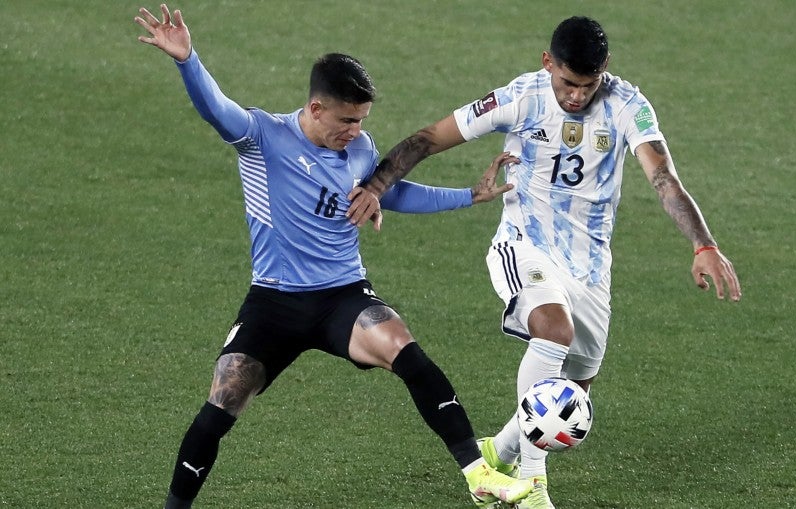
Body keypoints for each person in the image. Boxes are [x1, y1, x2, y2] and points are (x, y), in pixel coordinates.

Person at [134, 5, 534, 508]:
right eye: (347, 120)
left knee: (406, 351)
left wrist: (467, 196)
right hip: (274, 302)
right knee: (223, 402)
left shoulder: (362, 150)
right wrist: (187, 60)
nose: (356, 131)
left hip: (343, 296)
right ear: (317, 108)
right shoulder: (262, 137)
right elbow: (217, 108)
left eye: (362, 120)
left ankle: (478, 475)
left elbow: (394, 195)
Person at [347, 15, 742, 509]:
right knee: (553, 330)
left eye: (588, 84)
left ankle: (502, 450)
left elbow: (664, 180)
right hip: (523, 243)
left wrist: (703, 244)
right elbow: (430, 137)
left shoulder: (628, 106)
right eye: (568, 83)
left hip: (590, 264)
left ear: (606, 70)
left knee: (576, 386)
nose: (577, 96)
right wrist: (376, 186)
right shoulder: (521, 97)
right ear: (547, 63)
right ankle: (534, 488)